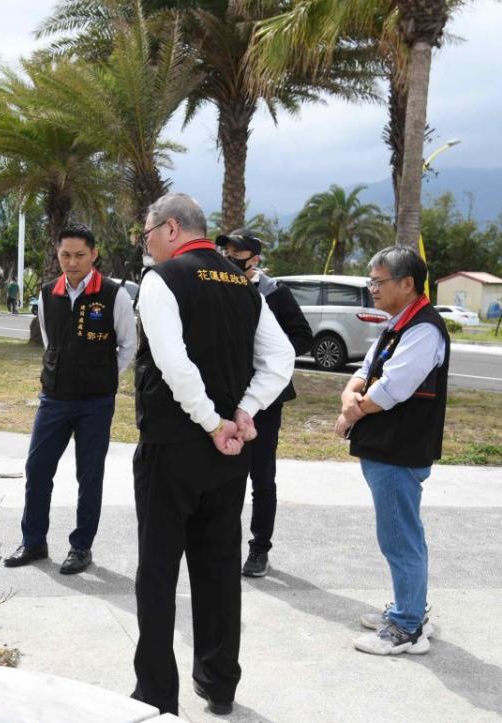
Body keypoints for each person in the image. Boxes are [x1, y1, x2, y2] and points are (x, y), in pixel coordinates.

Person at [131, 194, 295, 716]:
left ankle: (157, 694)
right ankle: (219, 683)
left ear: (172, 229)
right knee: (220, 568)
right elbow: (281, 358)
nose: (147, 244)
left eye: (148, 233)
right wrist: (244, 413)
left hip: (175, 444)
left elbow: (173, 363)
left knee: (158, 569)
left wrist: (212, 420)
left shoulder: (163, 279)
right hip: (229, 454)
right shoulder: (243, 284)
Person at [334, 246, 448, 656]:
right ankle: (410, 609)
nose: (372, 288)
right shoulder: (397, 324)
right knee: (401, 533)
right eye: (371, 281)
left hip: (400, 450)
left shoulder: (424, 328)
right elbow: (366, 370)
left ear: (407, 284)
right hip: (384, 446)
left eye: (378, 282)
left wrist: (355, 407)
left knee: (399, 537)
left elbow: (392, 388)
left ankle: (406, 628)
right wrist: (351, 394)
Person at [4, 224, 135, 575]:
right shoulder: (48, 293)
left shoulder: (113, 295)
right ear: (57, 254)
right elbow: (50, 340)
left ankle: (81, 547)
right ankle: (33, 542)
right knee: (37, 469)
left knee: (88, 475)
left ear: (93, 254)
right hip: (54, 399)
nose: (72, 262)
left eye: (79, 255)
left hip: (96, 403)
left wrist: (103, 378)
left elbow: (128, 346)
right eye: (65, 255)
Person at [216, 230, 312, 578]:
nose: (228, 257)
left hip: (266, 401)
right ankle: (223, 545)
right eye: (225, 251)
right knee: (224, 475)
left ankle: (259, 549)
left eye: (236, 253)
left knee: (261, 476)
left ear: (253, 260)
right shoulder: (219, 287)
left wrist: (269, 354)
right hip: (227, 395)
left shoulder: (275, 293)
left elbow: (303, 337)